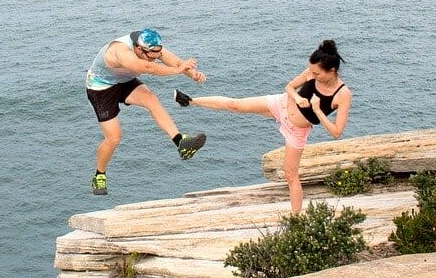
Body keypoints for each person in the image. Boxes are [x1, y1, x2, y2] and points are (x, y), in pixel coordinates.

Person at [173, 39, 351, 212]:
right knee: (235, 105)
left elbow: (337, 132)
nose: (312, 75)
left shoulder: (343, 94)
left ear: (332, 71)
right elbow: (290, 86)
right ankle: (189, 101)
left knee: (291, 175)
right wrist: (297, 97)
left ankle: (296, 219)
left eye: (317, 74)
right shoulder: (312, 71)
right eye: (311, 72)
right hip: (281, 104)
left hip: (297, 130)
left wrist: (318, 110)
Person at [85, 28, 208, 195]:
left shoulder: (150, 46)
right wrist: (177, 71)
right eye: (152, 56)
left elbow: (173, 61)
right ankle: (99, 175)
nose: (156, 59)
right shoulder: (121, 52)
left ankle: (181, 143)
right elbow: (148, 67)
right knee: (114, 138)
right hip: (101, 88)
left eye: (158, 54)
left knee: (151, 99)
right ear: (138, 49)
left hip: (125, 80)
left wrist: (192, 74)